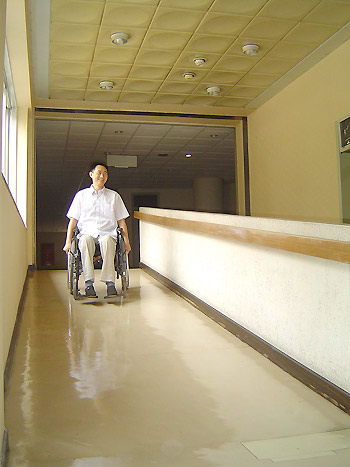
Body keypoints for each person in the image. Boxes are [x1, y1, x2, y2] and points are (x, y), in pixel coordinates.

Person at [63, 162, 131, 298]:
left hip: (108, 234)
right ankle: (89, 284)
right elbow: (73, 221)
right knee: (85, 240)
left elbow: (121, 221)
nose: (102, 176)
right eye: (99, 172)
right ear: (91, 174)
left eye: (105, 173)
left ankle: (110, 283)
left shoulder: (114, 196)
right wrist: (68, 242)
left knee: (107, 241)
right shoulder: (81, 196)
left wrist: (126, 242)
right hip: (87, 233)